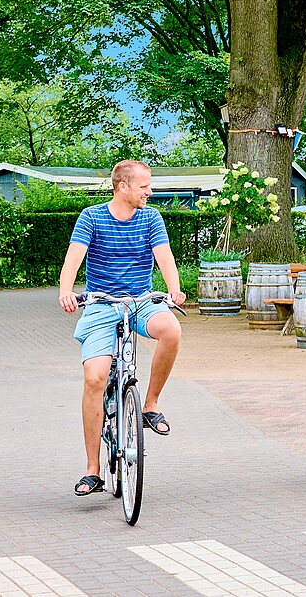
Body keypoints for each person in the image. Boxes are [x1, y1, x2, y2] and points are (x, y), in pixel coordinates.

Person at [58, 160, 186, 497]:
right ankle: (92, 470)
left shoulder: (151, 218)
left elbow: (165, 256)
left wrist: (174, 290)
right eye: (144, 186)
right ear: (123, 186)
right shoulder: (92, 216)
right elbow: (74, 257)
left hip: (142, 301)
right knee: (95, 378)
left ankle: (150, 405)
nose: (150, 191)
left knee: (171, 330)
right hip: (101, 304)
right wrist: (66, 290)